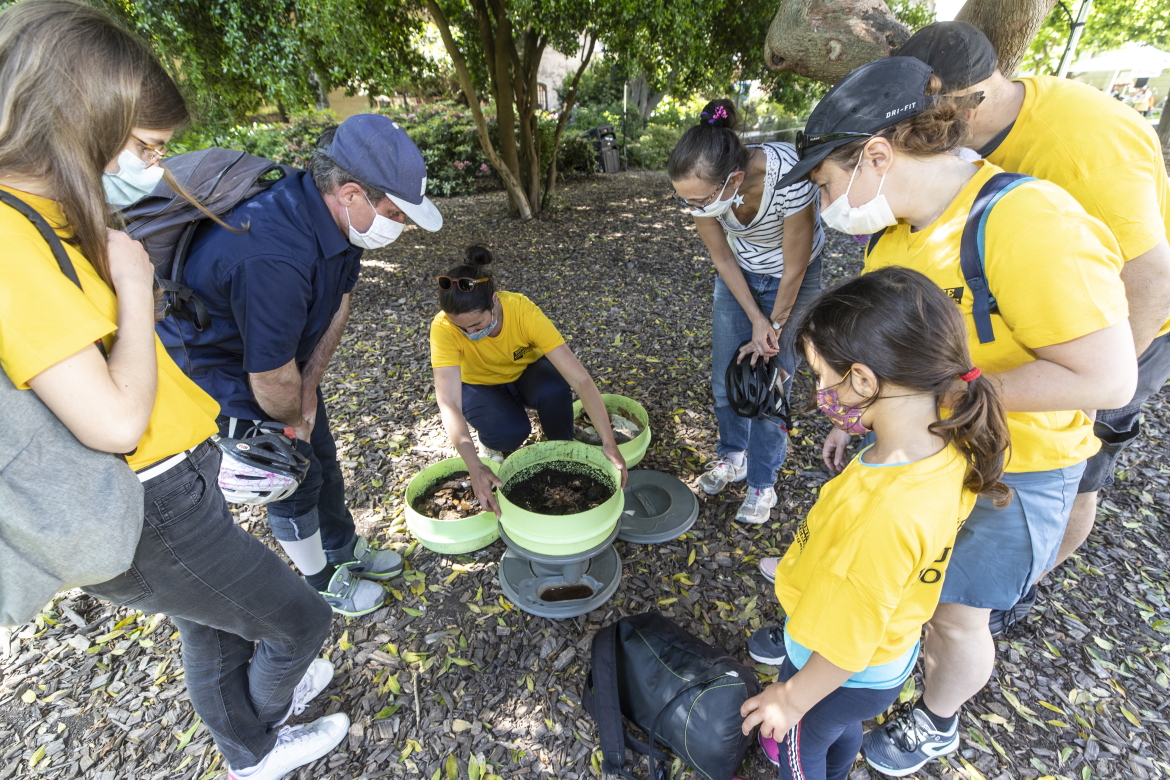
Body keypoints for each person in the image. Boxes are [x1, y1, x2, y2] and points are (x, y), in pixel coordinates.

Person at [0, 2, 348, 778]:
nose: (156, 169)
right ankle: (260, 735)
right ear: (80, 120)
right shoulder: (8, 238)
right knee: (299, 621)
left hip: (175, 480)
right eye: (147, 147)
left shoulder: (47, 213)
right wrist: (130, 283)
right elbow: (117, 419)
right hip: (145, 504)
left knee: (212, 625)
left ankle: (245, 733)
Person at [769, 56, 1137, 776]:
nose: (825, 202)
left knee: (955, 614)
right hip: (922, 453)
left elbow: (1109, 374)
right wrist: (868, 419)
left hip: (1013, 465)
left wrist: (932, 399)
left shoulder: (1028, 219)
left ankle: (935, 719)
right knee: (897, 593)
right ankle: (835, 656)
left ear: (877, 155)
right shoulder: (894, 234)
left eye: (825, 184)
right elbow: (890, 355)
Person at [897, 21, 1170, 632]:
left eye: (922, 111)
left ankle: (1017, 587)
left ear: (963, 99)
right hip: (1029, 299)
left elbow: (1151, 278)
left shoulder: (1081, 143)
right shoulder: (977, 139)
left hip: (1130, 322)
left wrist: (1087, 386)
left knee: (1072, 464)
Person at [157, 113, 442, 616]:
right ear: (351, 193)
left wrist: (309, 392)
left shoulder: (335, 222)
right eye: (396, 213)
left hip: (283, 365)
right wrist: (293, 422)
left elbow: (340, 299)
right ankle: (320, 579)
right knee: (292, 475)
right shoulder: (272, 253)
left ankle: (343, 548)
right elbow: (267, 375)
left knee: (323, 458)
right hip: (226, 371)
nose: (401, 226)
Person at [740, 267, 1010, 780]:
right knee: (838, 732)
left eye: (822, 377)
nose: (821, 390)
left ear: (862, 379)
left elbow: (847, 643)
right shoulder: (942, 449)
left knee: (799, 747)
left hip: (836, 668)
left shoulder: (885, 514)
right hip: (886, 660)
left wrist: (791, 698)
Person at [667, 99, 825, 523]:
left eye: (700, 201)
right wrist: (754, 317)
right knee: (727, 378)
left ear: (734, 179)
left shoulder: (790, 173)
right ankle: (732, 457)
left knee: (770, 384)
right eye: (688, 202)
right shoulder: (704, 193)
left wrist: (771, 324)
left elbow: (795, 268)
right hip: (739, 273)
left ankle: (762, 484)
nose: (696, 210)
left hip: (794, 277)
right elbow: (722, 259)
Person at [430, 245, 628, 515]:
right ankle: (494, 441)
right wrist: (474, 465)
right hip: (480, 385)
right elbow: (449, 402)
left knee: (554, 387)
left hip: (525, 372)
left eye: (476, 325)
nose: (469, 333)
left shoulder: (522, 311)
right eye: (461, 328)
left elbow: (580, 379)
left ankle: (560, 447)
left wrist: (608, 440)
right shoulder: (442, 328)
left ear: (495, 302)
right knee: (510, 432)